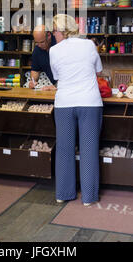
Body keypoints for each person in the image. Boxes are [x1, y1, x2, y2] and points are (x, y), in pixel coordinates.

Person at [49, 14, 103, 206]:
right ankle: (88, 197)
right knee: (89, 150)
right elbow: (98, 69)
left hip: (64, 103)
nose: (53, 34)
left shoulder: (53, 51)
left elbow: (57, 76)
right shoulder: (88, 45)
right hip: (89, 101)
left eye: (54, 30)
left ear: (62, 30)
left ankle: (63, 193)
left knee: (64, 150)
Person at [29, 25, 56, 90]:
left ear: (49, 35)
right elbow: (35, 70)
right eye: (37, 42)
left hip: (69, 86)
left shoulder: (58, 44)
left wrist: (57, 86)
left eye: (42, 42)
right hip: (56, 86)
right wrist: (33, 81)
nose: (39, 45)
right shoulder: (37, 50)